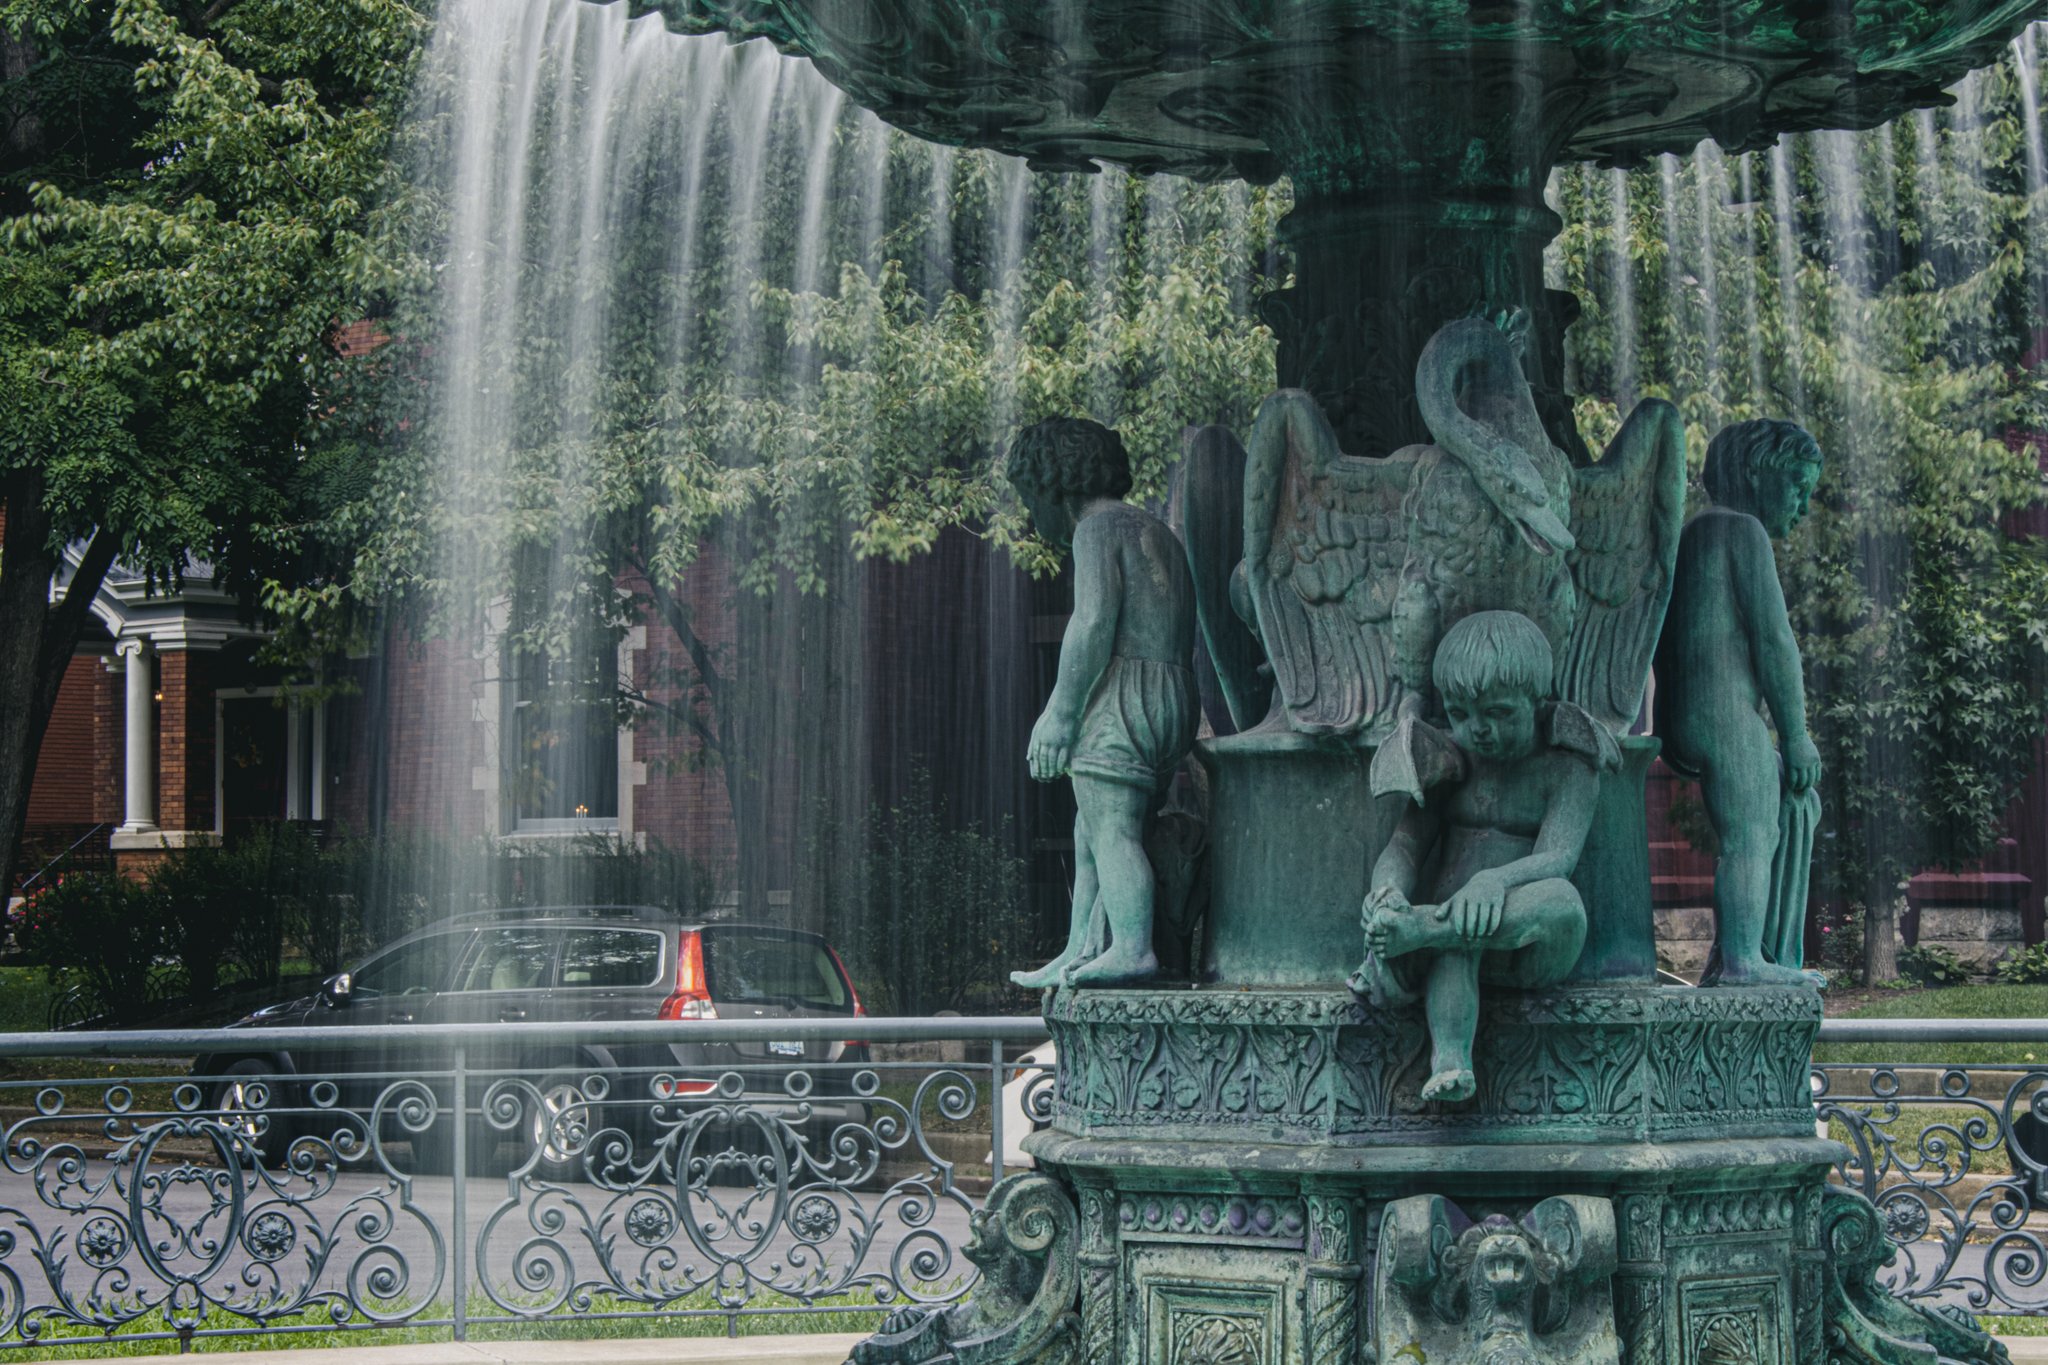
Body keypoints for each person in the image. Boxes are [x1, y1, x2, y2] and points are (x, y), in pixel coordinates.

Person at [1348, 611, 1610, 1103]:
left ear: (1537, 700)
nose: (1478, 729)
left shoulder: (1568, 768)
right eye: (1460, 714)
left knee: (1561, 899)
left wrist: (1493, 882)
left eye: (1498, 713)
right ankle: (1449, 1061)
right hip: (1454, 932)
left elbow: (1558, 857)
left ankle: (1421, 930)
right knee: (1461, 931)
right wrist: (1386, 892)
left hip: (1527, 941)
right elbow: (1405, 846)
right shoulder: (1449, 759)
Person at [1005, 418, 1199, 990]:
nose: (1031, 516)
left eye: (1029, 500)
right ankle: (1081, 947)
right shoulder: (1156, 530)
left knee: (1111, 827)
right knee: (1091, 824)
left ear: (1054, 488)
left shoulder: (1095, 530)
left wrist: (1061, 712)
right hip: (1171, 695)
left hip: (1124, 694)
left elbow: (1091, 623)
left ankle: (1133, 948)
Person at [1653, 419, 1825, 987]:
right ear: (1755, 472)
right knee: (1751, 835)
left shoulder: (1689, 533)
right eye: (1797, 485)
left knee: (1779, 812)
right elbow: (1775, 642)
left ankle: (1737, 955)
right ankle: (1745, 963)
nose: (1802, 505)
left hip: (1681, 714)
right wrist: (1795, 735)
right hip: (1726, 712)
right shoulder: (1743, 531)